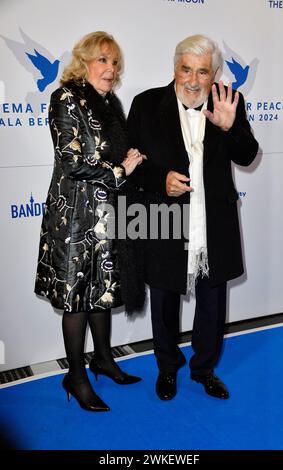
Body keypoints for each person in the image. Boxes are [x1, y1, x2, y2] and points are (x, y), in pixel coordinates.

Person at [127, 34, 259, 401]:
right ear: (174, 68)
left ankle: (204, 369)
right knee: (164, 298)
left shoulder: (229, 102)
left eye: (203, 71)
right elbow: (131, 164)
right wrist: (159, 179)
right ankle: (167, 368)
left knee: (212, 301)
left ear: (215, 73)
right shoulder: (145, 104)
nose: (194, 80)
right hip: (163, 219)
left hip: (213, 222)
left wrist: (230, 127)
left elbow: (247, 156)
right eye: (186, 69)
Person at [35, 31, 145, 412]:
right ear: (83, 62)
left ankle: (103, 359)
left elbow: (112, 151)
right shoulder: (64, 97)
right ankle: (76, 376)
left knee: (102, 289)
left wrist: (129, 159)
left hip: (107, 215)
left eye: (115, 62)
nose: (111, 69)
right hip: (75, 217)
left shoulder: (109, 102)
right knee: (76, 297)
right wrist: (119, 171)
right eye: (103, 60)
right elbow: (72, 160)